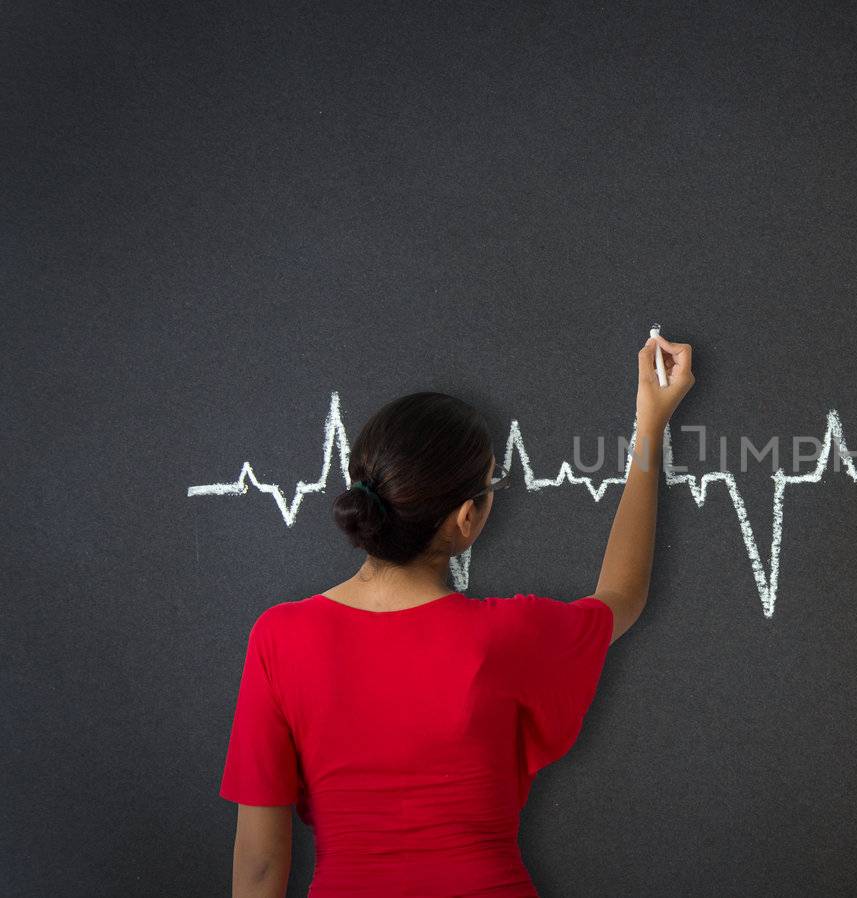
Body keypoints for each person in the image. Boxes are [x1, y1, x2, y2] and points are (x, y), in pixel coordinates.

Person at [219, 334, 694, 897]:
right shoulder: (509, 635)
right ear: (467, 518)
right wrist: (650, 425)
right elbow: (624, 593)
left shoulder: (280, 637)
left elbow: (259, 865)